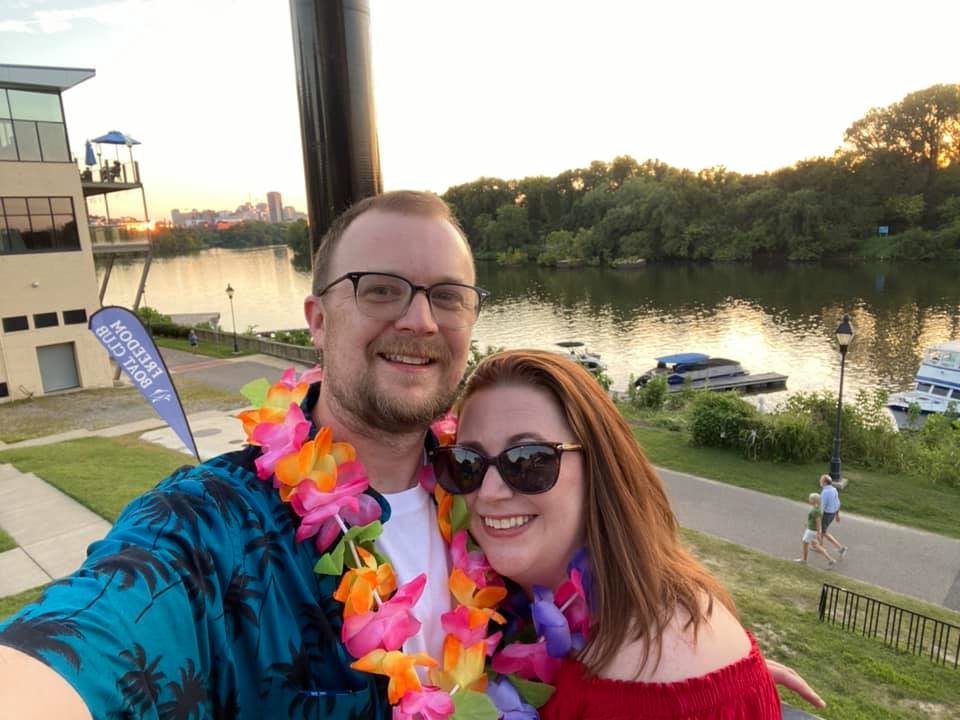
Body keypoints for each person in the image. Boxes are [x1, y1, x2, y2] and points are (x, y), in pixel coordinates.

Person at [0, 191, 819, 718]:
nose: (420, 321)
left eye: (446, 296)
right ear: (317, 319)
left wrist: (711, 686)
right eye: (381, 288)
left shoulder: (486, 492)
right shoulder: (208, 531)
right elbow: (90, 639)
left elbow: (581, 618)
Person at [435, 350, 784, 718]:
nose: (489, 492)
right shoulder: (509, 608)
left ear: (599, 470)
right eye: (466, 463)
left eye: (529, 460)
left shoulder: (661, 678)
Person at [795, 492, 836, 566]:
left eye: (810, 499)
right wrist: (808, 524)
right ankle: (830, 560)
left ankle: (804, 560)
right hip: (812, 530)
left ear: (814, 500)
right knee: (816, 545)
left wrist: (818, 533)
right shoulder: (816, 508)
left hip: (811, 531)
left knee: (805, 543)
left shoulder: (815, 511)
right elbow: (814, 520)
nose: (809, 500)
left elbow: (818, 523)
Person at [819, 474, 848, 558]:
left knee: (824, 532)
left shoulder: (825, 492)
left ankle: (841, 548)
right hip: (832, 514)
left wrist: (817, 518)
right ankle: (820, 546)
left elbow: (822, 508)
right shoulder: (834, 489)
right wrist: (837, 515)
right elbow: (838, 503)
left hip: (826, 515)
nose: (819, 481)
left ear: (824, 482)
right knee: (822, 531)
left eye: (821, 480)